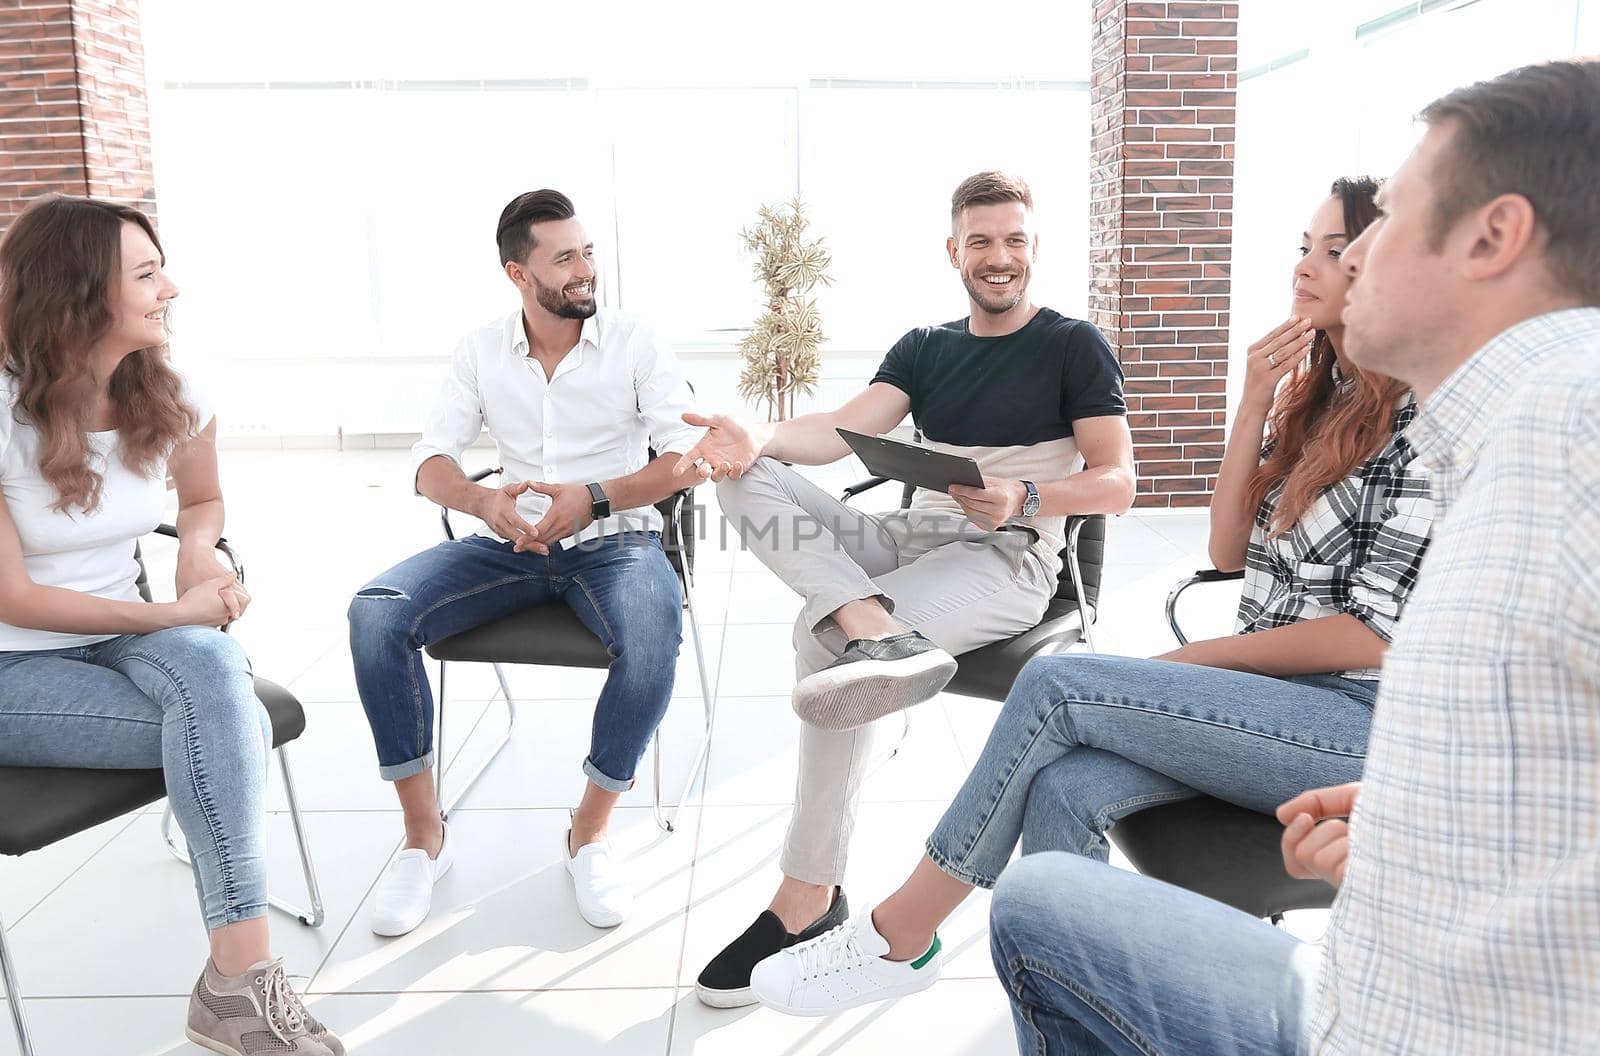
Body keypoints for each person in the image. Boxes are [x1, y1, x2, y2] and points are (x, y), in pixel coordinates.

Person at [987, 58, 1600, 1055]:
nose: (1353, 254)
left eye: (1386, 216)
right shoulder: (1491, 440)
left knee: (1060, 708)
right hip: (1357, 984)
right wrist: (1411, 825)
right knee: (1044, 898)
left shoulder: (1573, 434)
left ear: (1491, 236)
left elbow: (1366, 634)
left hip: (1427, 1026)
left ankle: (893, 934)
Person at [750, 177, 1437, 1016]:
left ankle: (899, 936)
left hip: (1358, 722)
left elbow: (1374, 637)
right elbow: (1226, 552)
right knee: (1064, 785)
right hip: (1259, 694)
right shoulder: (1315, 403)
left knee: (1058, 685)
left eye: (1334, 251)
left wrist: (1193, 660)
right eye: (1305, 245)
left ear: (1391, 264)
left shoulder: (1424, 425)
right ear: (954, 249)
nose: (1306, 266)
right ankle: (1072, 1018)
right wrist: (1256, 397)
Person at [679, 172, 1138, 1007]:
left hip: (1007, 558)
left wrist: (1027, 496)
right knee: (746, 477)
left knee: (818, 646)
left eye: (1014, 240)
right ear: (954, 249)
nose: (999, 258)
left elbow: (1117, 481)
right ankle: (866, 622)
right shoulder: (925, 346)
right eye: (981, 241)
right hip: (907, 540)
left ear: (1033, 247)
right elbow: (839, 431)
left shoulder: (1074, 345)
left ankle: (805, 897)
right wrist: (760, 434)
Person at [0, 196, 342, 1055]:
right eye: (147, 275)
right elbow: (14, 598)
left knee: (214, 676)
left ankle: (235, 978)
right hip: (12, 667)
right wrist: (172, 612)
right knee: (227, 713)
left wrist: (198, 558)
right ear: (77, 294)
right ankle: (243, 990)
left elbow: (202, 500)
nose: (171, 289)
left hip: (126, 636)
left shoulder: (175, 390)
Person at [347, 189, 699, 936]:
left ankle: (589, 832)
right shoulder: (480, 350)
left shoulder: (636, 342)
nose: (585, 271)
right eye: (564, 258)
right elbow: (431, 461)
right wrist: (482, 504)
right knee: (375, 612)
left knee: (652, 636)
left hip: (615, 545)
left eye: (588, 252)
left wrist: (595, 498)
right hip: (508, 547)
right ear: (518, 273)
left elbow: (685, 460)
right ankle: (423, 838)